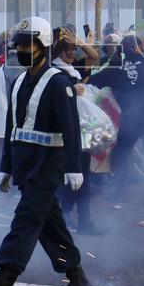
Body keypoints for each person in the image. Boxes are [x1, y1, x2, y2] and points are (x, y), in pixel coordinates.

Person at [0, 16, 91, 286]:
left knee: (26, 220)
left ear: (43, 46)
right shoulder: (19, 81)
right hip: (25, 165)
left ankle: (3, 282)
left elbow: (71, 128)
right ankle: (78, 279)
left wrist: (74, 167)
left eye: (26, 44)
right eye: (18, 44)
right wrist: (5, 167)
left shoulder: (59, 83)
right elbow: (13, 129)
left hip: (48, 166)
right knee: (49, 225)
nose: (20, 49)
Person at [89, 34, 144, 203]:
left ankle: (119, 192)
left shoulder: (115, 68)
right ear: (139, 48)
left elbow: (92, 80)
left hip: (130, 119)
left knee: (122, 154)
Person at [50, 26, 101, 236]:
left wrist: (80, 41)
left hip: (78, 131)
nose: (73, 53)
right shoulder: (52, 71)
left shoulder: (73, 68)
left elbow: (95, 56)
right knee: (63, 180)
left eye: (73, 48)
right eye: (68, 49)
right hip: (61, 134)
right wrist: (73, 89)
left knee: (83, 177)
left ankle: (84, 221)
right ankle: (64, 220)